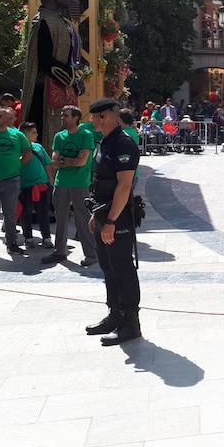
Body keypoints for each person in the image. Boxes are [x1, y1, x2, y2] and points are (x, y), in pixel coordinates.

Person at [84, 99, 142, 345]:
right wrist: (95, 218)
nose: (92, 120)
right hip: (102, 214)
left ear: (106, 116)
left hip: (116, 217)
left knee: (122, 268)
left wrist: (110, 221)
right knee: (108, 267)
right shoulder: (105, 142)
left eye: (95, 116)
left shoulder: (123, 143)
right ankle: (115, 314)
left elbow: (124, 185)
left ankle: (130, 323)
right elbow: (100, 182)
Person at [21, 0, 85, 148]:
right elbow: (46, 62)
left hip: (64, 89)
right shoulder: (43, 23)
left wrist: (75, 79)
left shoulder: (62, 21)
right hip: (45, 93)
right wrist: (72, 78)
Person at [46, 105, 98, 266]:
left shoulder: (86, 135)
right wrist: (70, 161)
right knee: (60, 219)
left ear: (76, 118)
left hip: (80, 183)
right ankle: (59, 252)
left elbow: (81, 161)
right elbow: (55, 161)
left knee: (82, 219)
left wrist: (65, 161)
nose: (62, 117)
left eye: (66, 115)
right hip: (61, 183)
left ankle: (91, 254)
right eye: (62, 115)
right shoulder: (59, 136)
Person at [0, 106, 32, 258]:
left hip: (11, 180)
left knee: (10, 214)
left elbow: (28, 153)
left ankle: (12, 244)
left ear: (6, 118)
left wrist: (16, 165)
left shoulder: (17, 135)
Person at [18, 122, 54, 249]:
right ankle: (28, 237)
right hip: (24, 185)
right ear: (23, 134)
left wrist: (50, 181)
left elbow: (47, 164)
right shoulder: (17, 149)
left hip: (41, 185)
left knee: (43, 212)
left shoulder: (38, 147)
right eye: (33, 132)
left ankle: (47, 237)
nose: (37, 134)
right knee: (25, 212)